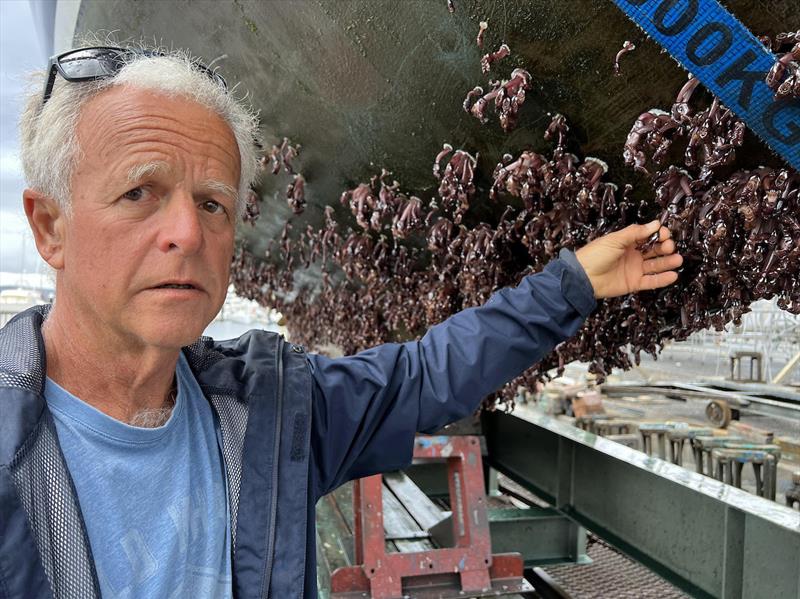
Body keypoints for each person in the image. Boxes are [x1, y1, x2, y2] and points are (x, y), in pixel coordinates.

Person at [0, 45, 682, 599]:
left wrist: (575, 282)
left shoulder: (274, 413)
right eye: (139, 191)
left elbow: (424, 376)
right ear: (49, 226)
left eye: (213, 203)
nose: (185, 230)